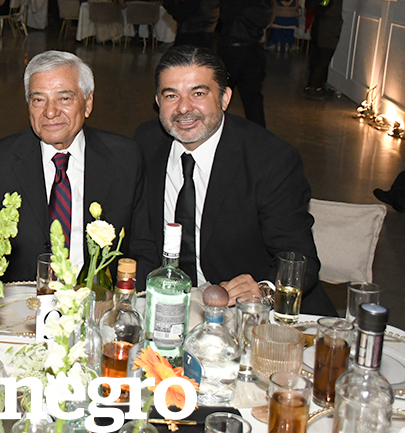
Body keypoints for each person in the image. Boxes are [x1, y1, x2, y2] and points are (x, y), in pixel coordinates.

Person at [131, 46, 335, 315]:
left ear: (225, 98)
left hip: (251, 314)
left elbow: (299, 258)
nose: (183, 108)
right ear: (158, 101)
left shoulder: (270, 160)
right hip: (172, 306)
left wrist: (263, 291)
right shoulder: (146, 143)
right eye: (171, 95)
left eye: (198, 93)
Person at [0, 51, 149, 282]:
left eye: (64, 99)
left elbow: (144, 248)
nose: (50, 112)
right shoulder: (1, 160)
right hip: (23, 298)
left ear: (88, 103)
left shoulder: (125, 159)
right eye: (38, 100)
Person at [217, 0, 288, 128]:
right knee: (253, 102)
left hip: (232, 51)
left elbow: (226, 16)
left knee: (219, 98)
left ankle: (209, 135)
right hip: (253, 52)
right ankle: (259, 138)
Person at [304, 0, 358, 100]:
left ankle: (319, 86)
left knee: (326, 58)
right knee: (321, 58)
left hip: (333, 26)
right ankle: (312, 87)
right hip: (323, 26)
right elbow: (310, 5)